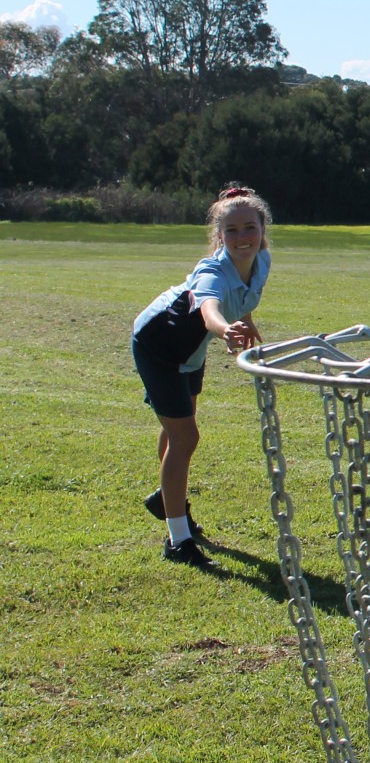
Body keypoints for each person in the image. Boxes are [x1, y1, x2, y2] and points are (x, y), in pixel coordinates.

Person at [131, 185, 273, 569]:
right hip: (158, 343)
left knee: (180, 428)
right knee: (185, 435)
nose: (242, 237)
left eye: (250, 227)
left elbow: (241, 297)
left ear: (263, 228)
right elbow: (209, 309)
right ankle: (178, 541)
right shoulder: (212, 270)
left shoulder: (262, 261)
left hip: (190, 349)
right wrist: (226, 329)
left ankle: (166, 498)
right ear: (219, 236)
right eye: (231, 230)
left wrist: (244, 321)